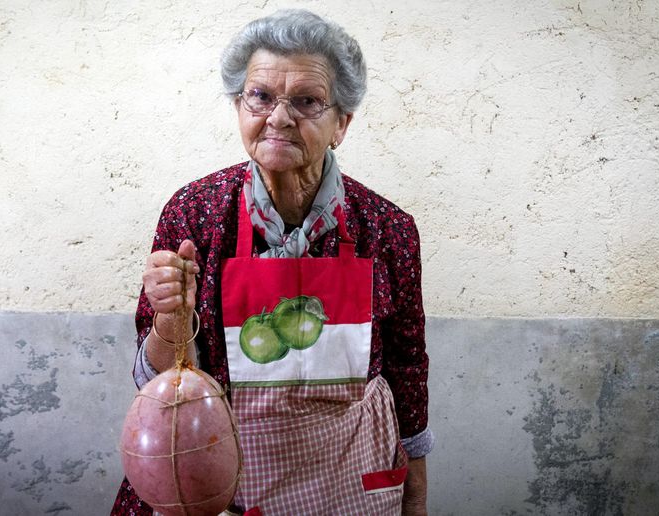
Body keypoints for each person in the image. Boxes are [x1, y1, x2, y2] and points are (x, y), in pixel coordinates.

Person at [112, 9, 433, 515]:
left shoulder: (386, 228)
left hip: (345, 482)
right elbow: (159, 379)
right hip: (225, 482)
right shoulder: (194, 213)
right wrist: (171, 318)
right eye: (260, 97)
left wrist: (415, 498)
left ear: (341, 124)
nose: (279, 118)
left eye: (306, 102)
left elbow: (407, 368)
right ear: (240, 107)